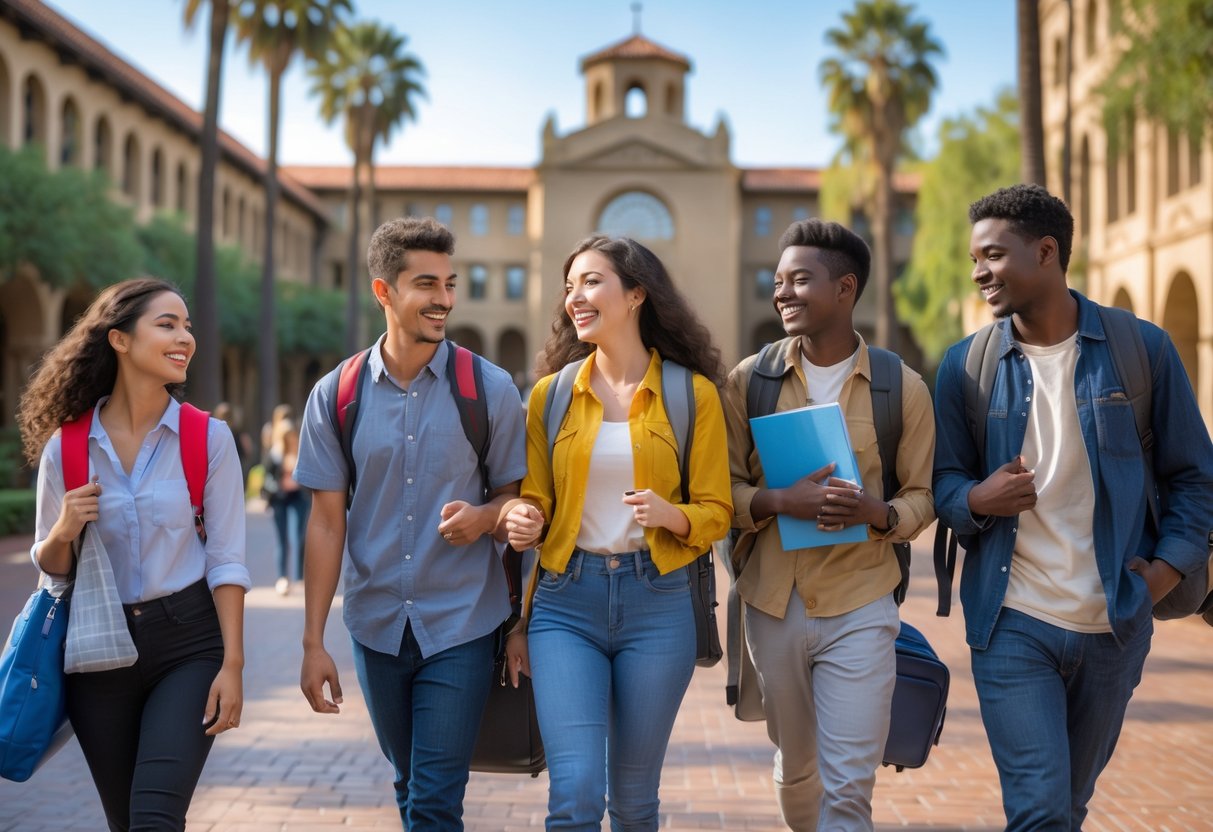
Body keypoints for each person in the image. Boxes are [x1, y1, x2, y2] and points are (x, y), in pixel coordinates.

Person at [933, 184, 1213, 830]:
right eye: (974, 258)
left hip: (1114, 619)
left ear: (1047, 252)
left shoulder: (1140, 351)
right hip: (1010, 620)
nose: (978, 272)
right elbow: (943, 481)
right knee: (1038, 808)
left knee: (1067, 806)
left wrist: (1167, 571)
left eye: (993, 256)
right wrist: (976, 497)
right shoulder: (965, 368)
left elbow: (1195, 477)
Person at [294, 217, 526, 831]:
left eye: (451, 283)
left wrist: (484, 518)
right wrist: (313, 641)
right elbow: (324, 524)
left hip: (462, 624)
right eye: (428, 284)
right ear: (384, 291)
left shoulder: (490, 389)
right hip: (374, 625)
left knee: (433, 798)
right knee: (408, 782)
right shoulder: (335, 395)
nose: (445, 299)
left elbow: (518, 503)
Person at [502, 235, 732, 831]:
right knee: (574, 793)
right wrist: (524, 518)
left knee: (633, 802)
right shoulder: (550, 396)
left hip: (658, 604)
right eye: (570, 284)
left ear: (636, 294)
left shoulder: (692, 394)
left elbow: (717, 510)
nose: (574, 297)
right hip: (564, 604)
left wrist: (671, 514)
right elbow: (535, 500)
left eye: (591, 281)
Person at [721, 219, 936, 831]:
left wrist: (881, 514)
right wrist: (777, 502)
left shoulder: (901, 387)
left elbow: (924, 494)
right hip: (772, 603)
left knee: (848, 783)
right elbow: (722, 492)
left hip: (862, 603)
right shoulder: (750, 381)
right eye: (778, 280)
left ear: (845, 289)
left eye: (800, 279)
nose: (782, 292)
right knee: (797, 766)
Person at [19, 277, 249, 831]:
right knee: (126, 821)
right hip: (98, 653)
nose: (185, 337)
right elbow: (51, 566)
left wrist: (233, 665)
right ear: (119, 340)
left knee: (154, 816)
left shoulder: (207, 438)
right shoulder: (67, 446)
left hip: (189, 643)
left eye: (187, 326)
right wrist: (66, 528)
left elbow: (226, 559)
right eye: (167, 324)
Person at [264, 417, 310, 595]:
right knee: (282, 540)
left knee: (299, 538)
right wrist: (278, 485)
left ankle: (299, 578)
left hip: (299, 497)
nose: (290, 438)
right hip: (280, 499)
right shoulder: (275, 455)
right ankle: (283, 578)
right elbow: (267, 478)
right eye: (286, 435)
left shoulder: (301, 452)